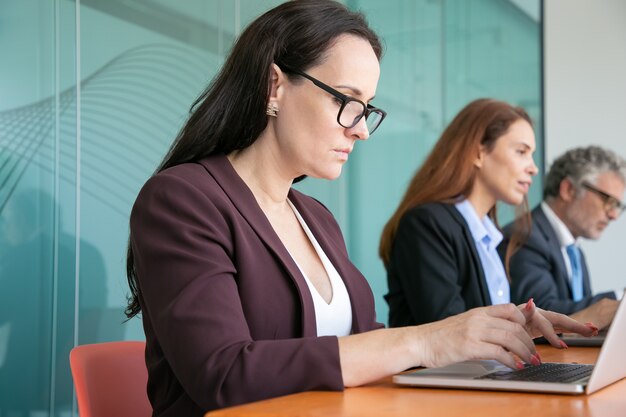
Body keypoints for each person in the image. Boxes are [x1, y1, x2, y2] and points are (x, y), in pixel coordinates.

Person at [125, 2, 595, 415]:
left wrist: (491, 332)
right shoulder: (183, 199)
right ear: (275, 85)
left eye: (367, 108)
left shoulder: (316, 218)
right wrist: (423, 339)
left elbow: (367, 344)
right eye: (348, 102)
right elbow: (224, 374)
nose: (361, 130)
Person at [380, 98, 541, 327]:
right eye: (521, 152)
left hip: (487, 364)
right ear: (478, 153)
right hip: (445, 365)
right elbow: (449, 331)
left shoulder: (489, 237)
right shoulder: (427, 225)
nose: (533, 167)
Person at [502, 146, 625, 330]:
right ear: (568, 189)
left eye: (618, 206)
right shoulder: (525, 236)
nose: (614, 215)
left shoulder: (573, 250)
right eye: (608, 201)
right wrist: (618, 300)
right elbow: (539, 315)